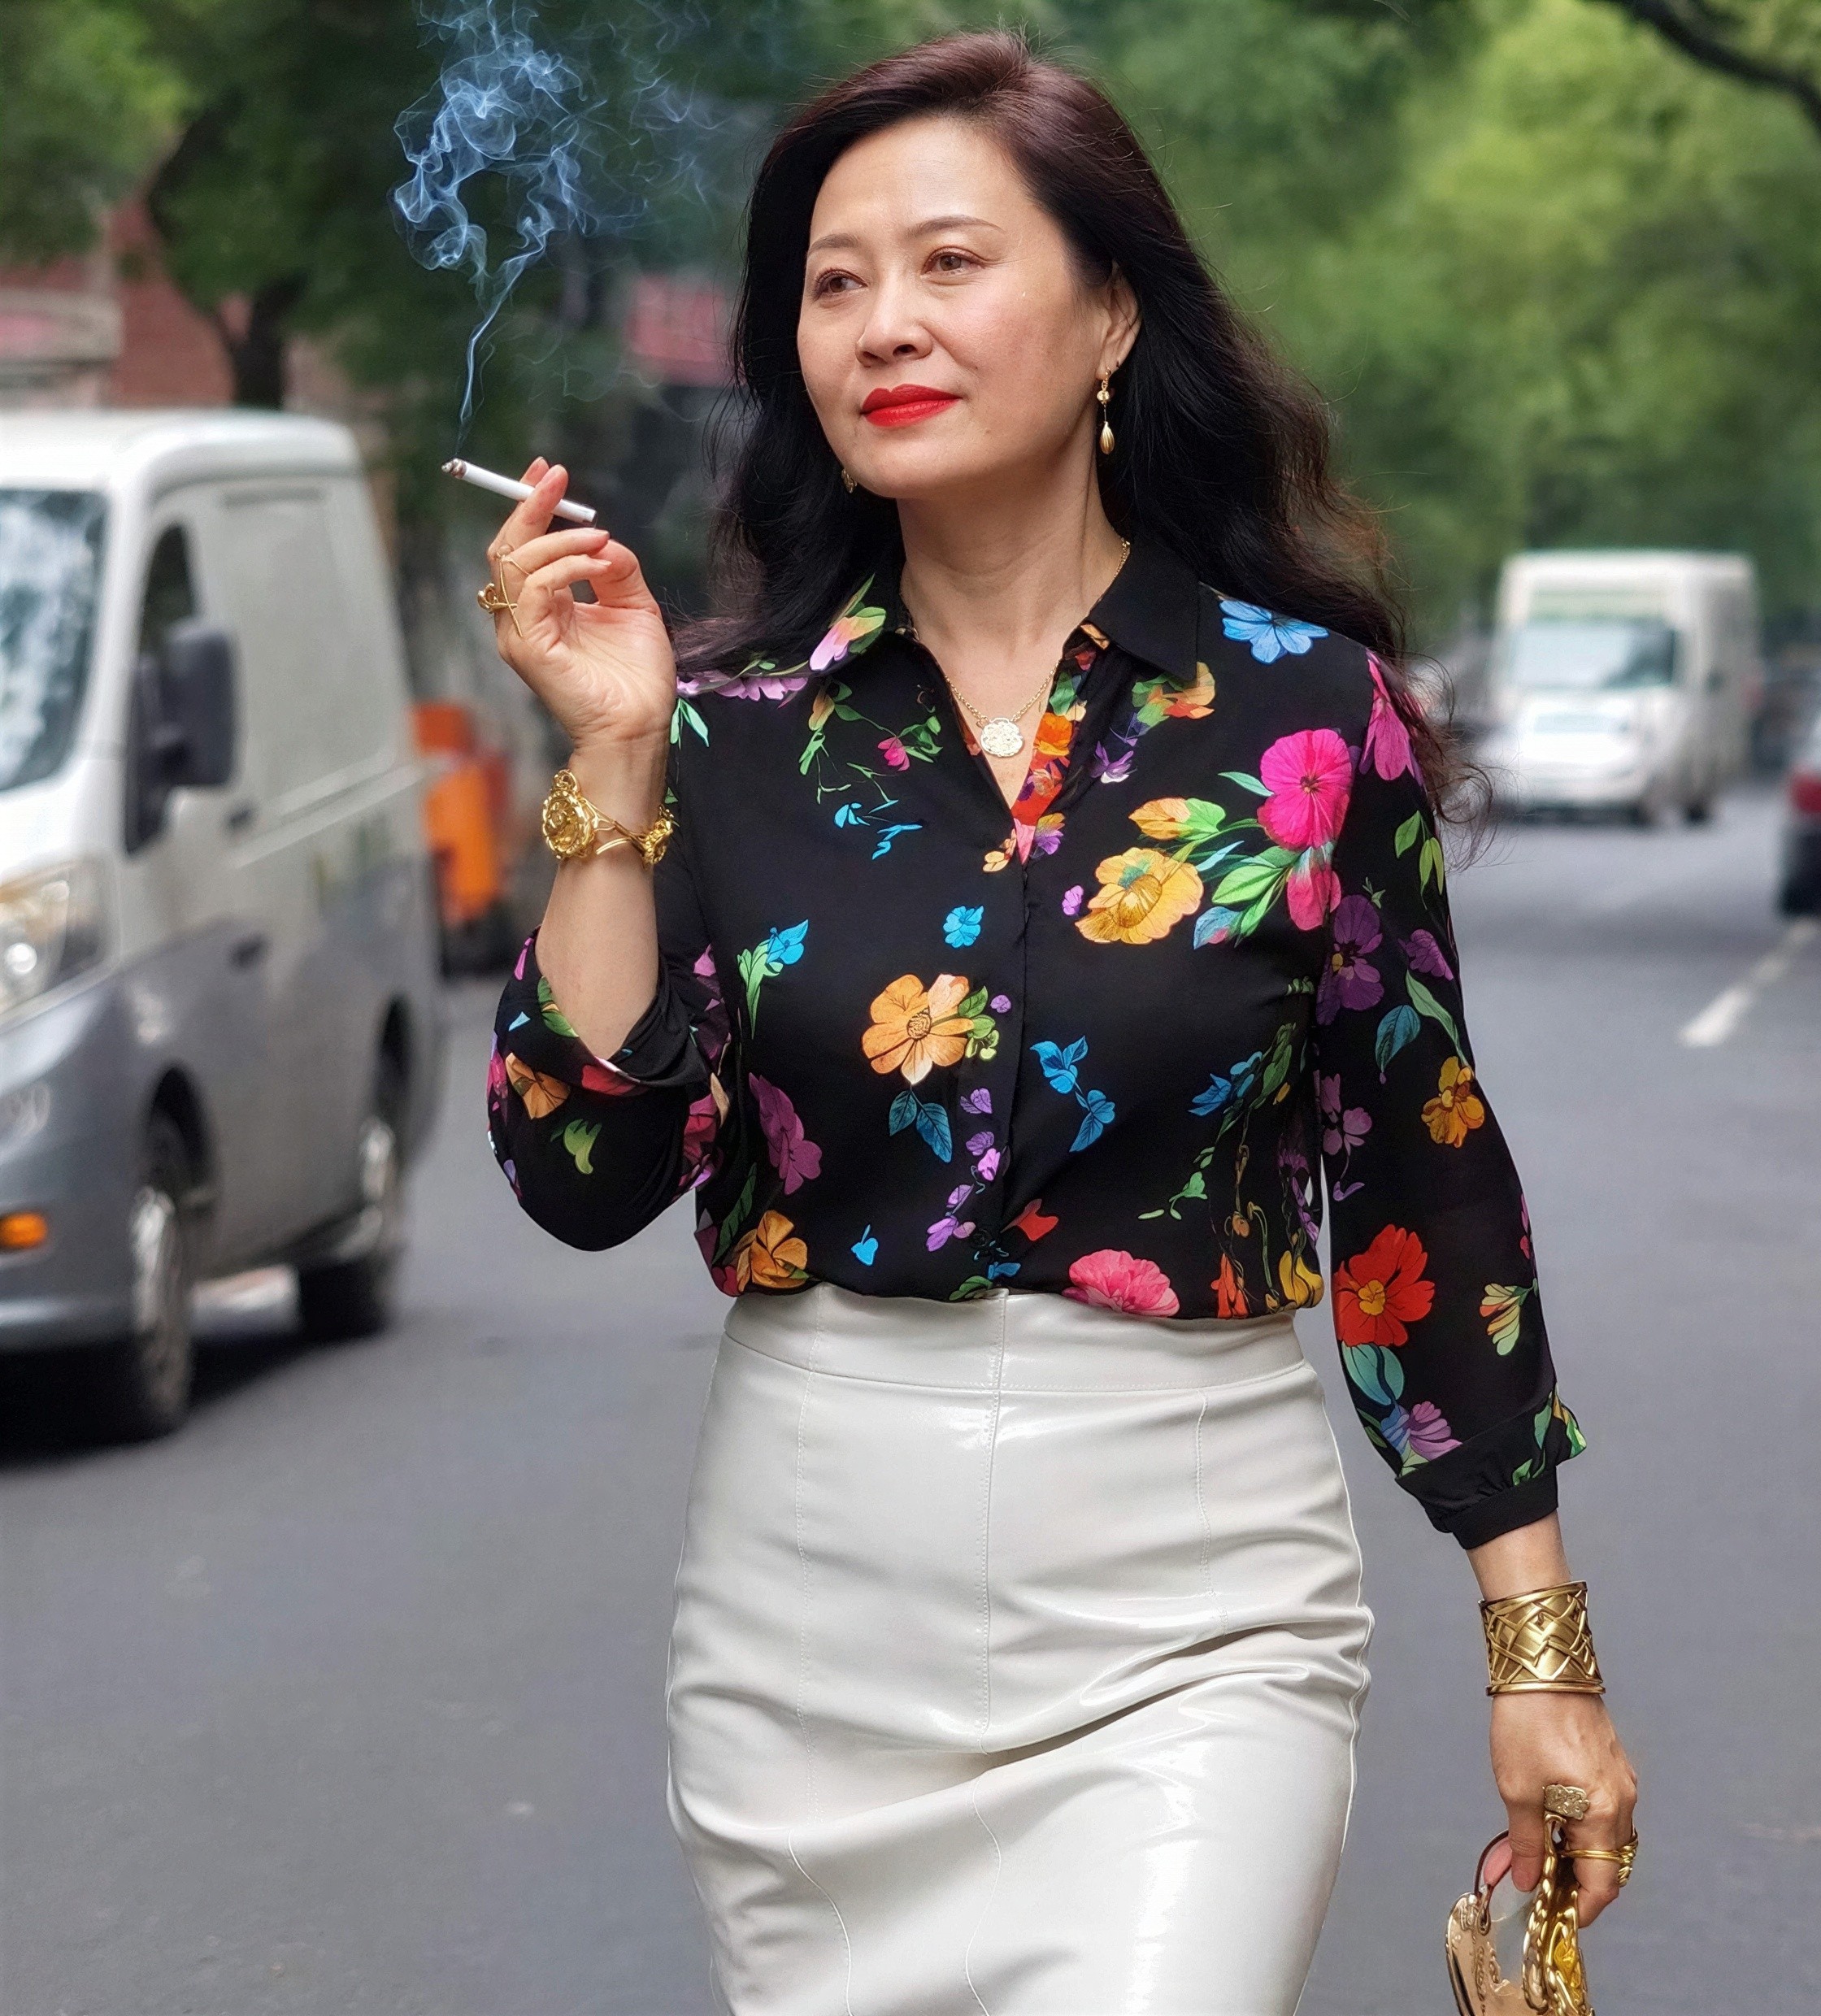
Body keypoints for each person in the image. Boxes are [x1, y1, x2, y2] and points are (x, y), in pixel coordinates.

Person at [477, 30, 1636, 2014]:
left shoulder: (1304, 718)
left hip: (1198, 1612)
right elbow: (579, 1171)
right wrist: (610, 766)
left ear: (1108, 312)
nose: (881, 325)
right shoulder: (730, 740)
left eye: (947, 263)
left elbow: (1423, 1177)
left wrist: (1539, 1659)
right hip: (811, 1631)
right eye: (833, 286)